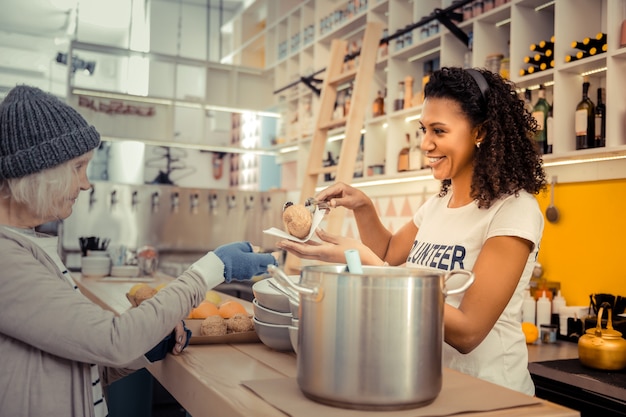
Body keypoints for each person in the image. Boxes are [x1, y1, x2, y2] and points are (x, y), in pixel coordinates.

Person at [0, 85, 278, 417]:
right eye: (78, 167)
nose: (86, 183)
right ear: (39, 171)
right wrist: (212, 268)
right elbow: (110, 340)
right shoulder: (6, 259)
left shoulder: (28, 247)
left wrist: (146, 346)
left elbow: (76, 368)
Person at [277, 67, 547, 396]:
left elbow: (468, 332)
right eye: (423, 129)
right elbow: (389, 253)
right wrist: (363, 207)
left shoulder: (513, 210)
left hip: (491, 395)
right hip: (431, 385)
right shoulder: (439, 203)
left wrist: (364, 264)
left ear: (480, 132)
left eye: (439, 131)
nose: (425, 144)